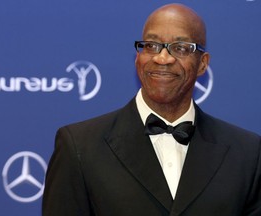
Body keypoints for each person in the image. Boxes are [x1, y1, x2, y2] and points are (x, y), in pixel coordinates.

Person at [42, 3, 261, 216]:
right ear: (138, 57)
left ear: (202, 63)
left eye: (180, 48)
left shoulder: (247, 154)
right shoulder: (80, 146)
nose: (162, 58)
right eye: (151, 45)